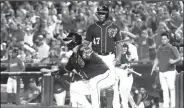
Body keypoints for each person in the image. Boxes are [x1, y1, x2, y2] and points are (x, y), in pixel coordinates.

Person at [64, 33, 115, 108]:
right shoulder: (73, 56)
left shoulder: (84, 49)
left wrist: (79, 52)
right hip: (92, 78)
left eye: (70, 40)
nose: (68, 42)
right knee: (75, 88)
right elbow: (67, 69)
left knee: (93, 83)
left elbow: (87, 57)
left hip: (105, 76)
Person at [84, 5, 122, 108]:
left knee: (113, 83)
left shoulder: (114, 27)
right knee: (94, 82)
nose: (101, 15)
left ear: (107, 14)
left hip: (110, 57)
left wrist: (118, 57)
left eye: (103, 13)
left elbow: (119, 44)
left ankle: (116, 105)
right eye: (99, 13)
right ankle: (95, 105)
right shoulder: (92, 27)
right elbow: (86, 43)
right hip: (96, 57)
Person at [151, 32, 181, 108]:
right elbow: (157, 58)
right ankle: (166, 105)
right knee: (164, 89)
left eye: (165, 39)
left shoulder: (172, 48)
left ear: (168, 39)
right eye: (162, 39)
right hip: (161, 71)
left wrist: (174, 61)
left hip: (170, 71)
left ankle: (173, 105)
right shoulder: (159, 48)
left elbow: (179, 58)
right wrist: (153, 67)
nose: (163, 40)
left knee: (171, 88)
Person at [114, 43, 137, 108]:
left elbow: (131, 61)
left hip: (127, 75)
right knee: (123, 92)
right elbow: (116, 64)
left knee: (125, 92)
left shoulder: (128, 55)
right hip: (121, 74)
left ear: (127, 49)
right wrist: (120, 66)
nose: (124, 49)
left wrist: (126, 65)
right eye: (123, 47)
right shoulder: (118, 55)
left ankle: (131, 105)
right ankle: (133, 105)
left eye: (125, 48)